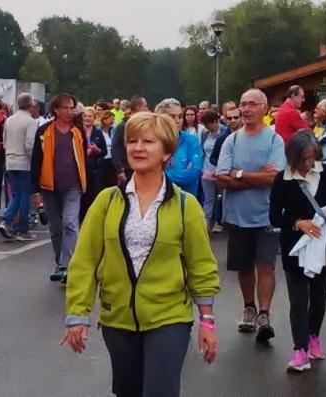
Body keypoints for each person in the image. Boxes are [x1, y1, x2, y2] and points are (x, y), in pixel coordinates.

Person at [62, 111, 220, 397]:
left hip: (169, 317)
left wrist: (206, 320)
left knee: (160, 391)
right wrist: (78, 312)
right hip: (117, 319)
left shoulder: (187, 206)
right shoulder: (106, 201)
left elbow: (201, 265)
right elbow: (84, 261)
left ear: (166, 152)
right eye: (132, 140)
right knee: (127, 391)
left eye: (148, 141)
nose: (138, 147)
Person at [269, 130, 326, 371]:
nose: (308, 164)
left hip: (325, 247)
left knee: (320, 297)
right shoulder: (283, 179)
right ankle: (299, 349)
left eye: (312, 158)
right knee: (298, 300)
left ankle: (314, 336)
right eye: (303, 159)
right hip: (295, 248)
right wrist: (297, 222)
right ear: (292, 156)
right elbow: (273, 216)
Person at [216, 88, 286, 342]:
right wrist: (252, 177)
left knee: (266, 265)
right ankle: (249, 307)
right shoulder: (231, 140)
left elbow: (272, 177)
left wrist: (238, 173)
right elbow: (220, 177)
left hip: (267, 215)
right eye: (243, 104)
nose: (245, 109)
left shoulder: (274, 140)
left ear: (264, 109)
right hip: (237, 216)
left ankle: (264, 313)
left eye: (252, 104)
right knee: (243, 267)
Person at [31, 93, 90, 282]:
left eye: (71, 107)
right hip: (49, 186)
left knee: (70, 223)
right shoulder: (44, 131)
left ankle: (68, 264)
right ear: (55, 109)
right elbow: (36, 161)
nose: (68, 111)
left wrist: (86, 185)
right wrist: (36, 191)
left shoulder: (78, 131)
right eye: (65, 108)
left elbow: (84, 160)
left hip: (73, 186)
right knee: (56, 228)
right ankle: (60, 263)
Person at [0, 93, 39, 241]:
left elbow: (5, 141)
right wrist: (33, 162)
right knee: (24, 196)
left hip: (10, 161)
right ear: (31, 105)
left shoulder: (9, 120)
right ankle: (23, 229)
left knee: (16, 194)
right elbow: (30, 144)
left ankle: (6, 220)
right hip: (24, 163)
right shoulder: (31, 122)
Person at [157, 98, 203, 197]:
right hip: (159, 200)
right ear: (160, 119)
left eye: (180, 116)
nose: (178, 121)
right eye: (172, 116)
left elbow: (194, 173)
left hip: (186, 201)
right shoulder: (153, 142)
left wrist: (161, 175)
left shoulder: (192, 141)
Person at [81, 106, 109, 220]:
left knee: (92, 196)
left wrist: (97, 150)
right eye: (85, 116)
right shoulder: (78, 131)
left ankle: (91, 218)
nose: (87, 118)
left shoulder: (98, 133)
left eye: (90, 116)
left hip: (94, 170)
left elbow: (104, 152)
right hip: (80, 170)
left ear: (94, 118)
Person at [112, 96, 149, 183]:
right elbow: (115, 148)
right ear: (138, 107)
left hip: (141, 166)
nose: (147, 109)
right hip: (127, 169)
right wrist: (119, 170)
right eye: (145, 106)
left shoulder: (144, 125)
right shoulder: (123, 126)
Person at [200, 110, 225, 233]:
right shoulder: (205, 134)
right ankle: (206, 224)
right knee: (209, 199)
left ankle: (219, 222)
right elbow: (203, 152)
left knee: (221, 198)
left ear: (215, 122)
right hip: (206, 171)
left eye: (208, 124)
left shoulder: (225, 132)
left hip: (221, 172)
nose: (206, 127)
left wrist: (220, 168)